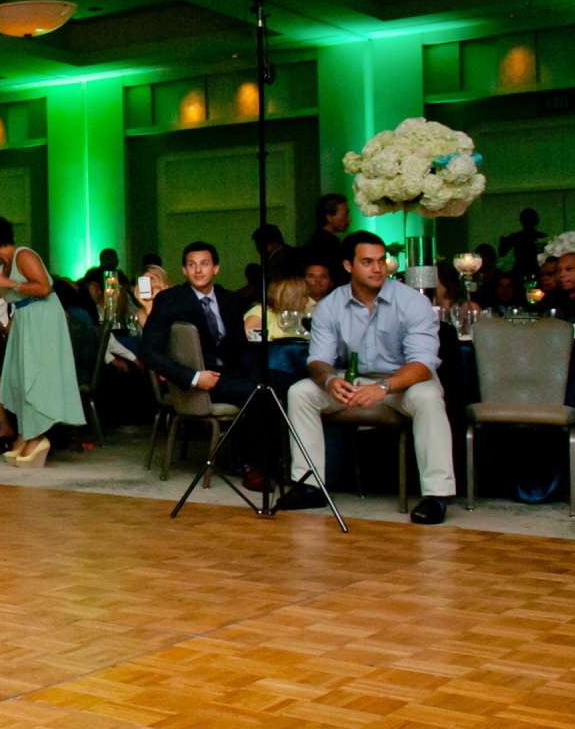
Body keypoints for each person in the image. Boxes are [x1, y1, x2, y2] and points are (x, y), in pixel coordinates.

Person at [279, 231, 456, 523]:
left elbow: (424, 364)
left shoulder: (412, 302)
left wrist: (383, 388)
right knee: (300, 392)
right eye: (367, 262)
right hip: (354, 380)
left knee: (428, 396)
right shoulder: (330, 305)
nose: (378, 268)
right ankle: (309, 486)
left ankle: (437, 495)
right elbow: (318, 360)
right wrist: (329, 380)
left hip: (403, 382)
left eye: (381, 261)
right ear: (348, 266)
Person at [139, 242, 271, 478]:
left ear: (216, 268)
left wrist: (255, 373)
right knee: (260, 392)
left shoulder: (231, 300)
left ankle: (286, 464)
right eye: (192, 265)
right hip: (200, 380)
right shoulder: (171, 300)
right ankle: (255, 466)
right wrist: (193, 377)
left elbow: (242, 347)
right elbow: (149, 351)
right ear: (184, 271)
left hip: (234, 374)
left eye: (205, 264)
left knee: (286, 384)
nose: (198, 270)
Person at [0, 213, 82, 465]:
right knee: (19, 376)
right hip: (24, 320)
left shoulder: (23, 256)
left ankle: (37, 436)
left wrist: (9, 283)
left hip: (42, 320)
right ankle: (26, 433)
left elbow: (44, 288)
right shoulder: (2, 264)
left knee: (36, 377)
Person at [303, 193, 351, 277]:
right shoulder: (327, 243)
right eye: (345, 214)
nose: (349, 219)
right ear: (329, 217)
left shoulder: (318, 239)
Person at [502, 207, 547, 281]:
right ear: (536, 221)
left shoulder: (516, 236)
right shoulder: (542, 236)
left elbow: (502, 252)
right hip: (527, 271)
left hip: (530, 271)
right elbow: (502, 252)